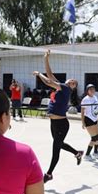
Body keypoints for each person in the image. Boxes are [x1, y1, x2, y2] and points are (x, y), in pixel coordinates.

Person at [33, 50, 83, 183]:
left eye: (74, 82)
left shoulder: (65, 89)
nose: (72, 81)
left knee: (56, 149)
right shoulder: (61, 87)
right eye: (71, 80)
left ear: (72, 87)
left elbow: (48, 81)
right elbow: (50, 75)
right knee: (59, 145)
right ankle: (77, 153)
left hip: (61, 124)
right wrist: (46, 58)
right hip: (54, 123)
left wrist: (39, 74)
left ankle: (49, 174)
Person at [81, 84, 98, 161]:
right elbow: (82, 112)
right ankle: (87, 155)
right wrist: (83, 123)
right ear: (87, 91)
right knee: (94, 138)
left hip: (94, 119)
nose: (92, 91)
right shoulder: (85, 99)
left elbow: (95, 108)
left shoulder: (95, 97)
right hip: (88, 119)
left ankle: (95, 152)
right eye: (90, 89)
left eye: (93, 89)